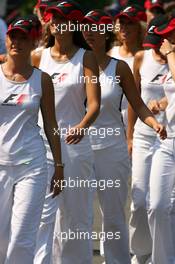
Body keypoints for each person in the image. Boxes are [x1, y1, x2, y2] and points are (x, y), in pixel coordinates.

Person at [82, 9, 167, 264]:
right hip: (79, 149)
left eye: (96, 28)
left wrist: (153, 123)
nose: (89, 33)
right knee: (77, 214)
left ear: (106, 33)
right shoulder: (74, 66)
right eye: (86, 27)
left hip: (111, 148)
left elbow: (137, 103)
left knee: (113, 216)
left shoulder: (119, 67)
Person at [32, 1, 101, 263]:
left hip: (75, 147)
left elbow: (94, 103)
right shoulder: (39, 56)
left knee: (77, 216)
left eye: (64, 19)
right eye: (54, 18)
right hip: (43, 145)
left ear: (74, 25)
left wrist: (82, 126)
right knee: (42, 215)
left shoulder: (87, 57)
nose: (58, 24)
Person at [0, 15, 63, 264]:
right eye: (13, 36)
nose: (16, 41)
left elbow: (51, 124)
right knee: (2, 238)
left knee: (23, 237)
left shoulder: (42, 79)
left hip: (32, 166)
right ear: (6, 39)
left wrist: (59, 165)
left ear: (34, 40)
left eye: (23, 37)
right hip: (1, 164)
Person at [127, 15, 169, 264]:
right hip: (144, 137)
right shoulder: (141, 58)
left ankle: (160, 256)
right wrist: (129, 135)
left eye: (159, 41)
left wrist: (163, 104)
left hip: (170, 138)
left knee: (161, 204)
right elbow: (134, 100)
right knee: (140, 200)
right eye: (152, 41)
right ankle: (140, 253)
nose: (155, 47)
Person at [146, 10, 175, 264]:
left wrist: (170, 53)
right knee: (156, 205)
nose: (167, 41)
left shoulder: (172, 56)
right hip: (167, 142)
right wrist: (163, 103)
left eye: (171, 36)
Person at [108, 5, 146, 128]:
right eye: (122, 23)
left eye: (130, 23)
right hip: (112, 121)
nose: (124, 28)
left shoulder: (147, 56)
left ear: (139, 28)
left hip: (140, 122)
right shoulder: (110, 53)